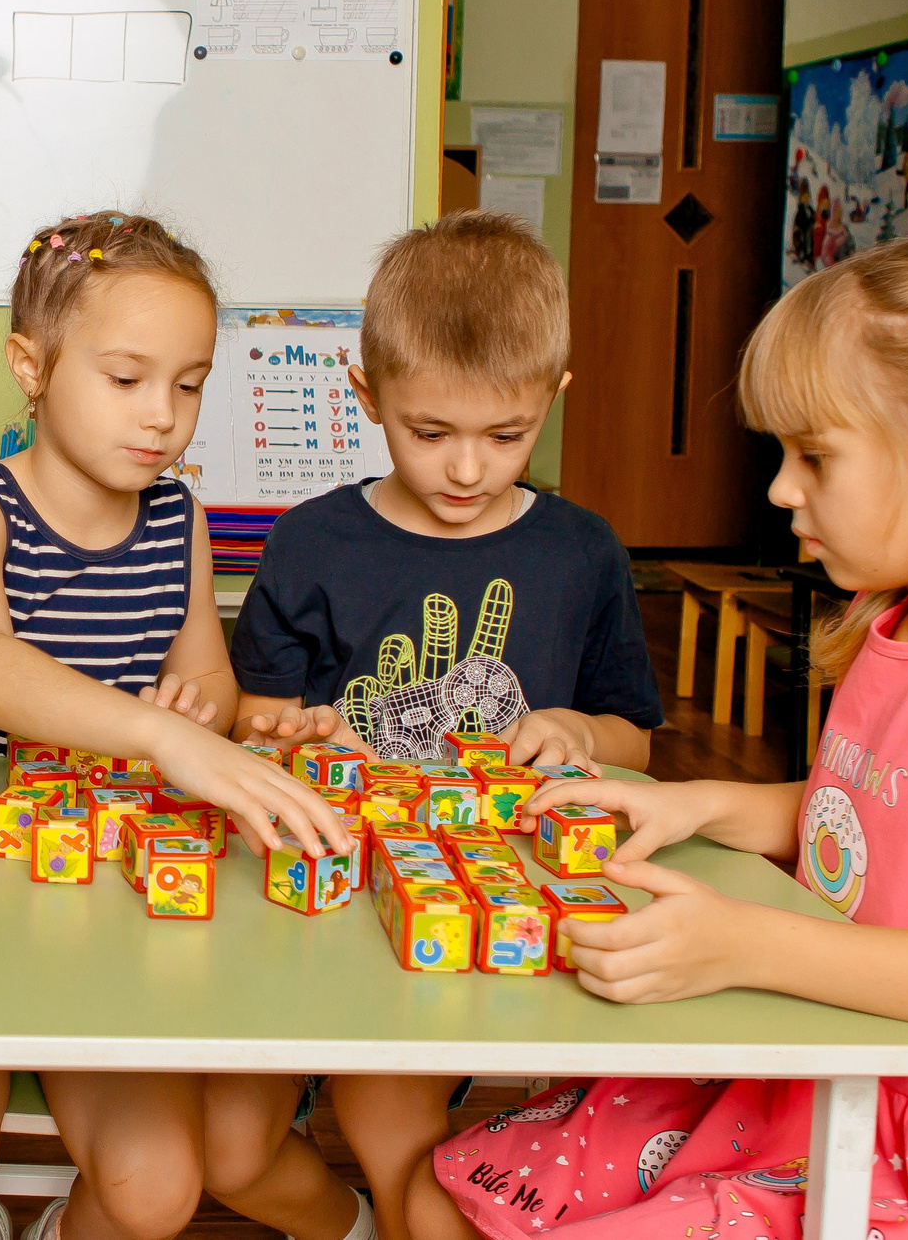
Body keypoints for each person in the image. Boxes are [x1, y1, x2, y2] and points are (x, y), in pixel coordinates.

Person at [412, 228, 908, 1238]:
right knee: (441, 1195)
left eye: (813, 456)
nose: (778, 489)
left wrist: (750, 946)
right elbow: (874, 817)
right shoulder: (905, 617)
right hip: (826, 1072)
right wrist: (695, 804)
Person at [0, 210, 353, 1240]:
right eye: (126, 379)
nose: (162, 415)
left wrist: (201, 712)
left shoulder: (179, 520)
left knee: (156, 1189)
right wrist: (161, 735)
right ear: (29, 366)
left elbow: (206, 680)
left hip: (106, 911)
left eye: (188, 383)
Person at [206, 212, 664, 1240]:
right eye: (429, 433)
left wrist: (578, 733)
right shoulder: (312, 540)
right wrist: (292, 729)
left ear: (551, 398)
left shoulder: (582, 552)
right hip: (300, 899)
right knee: (226, 1153)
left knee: (401, 1148)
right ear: (365, 397)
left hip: (461, 914)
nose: (467, 469)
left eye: (505, 437)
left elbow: (635, 736)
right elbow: (249, 715)